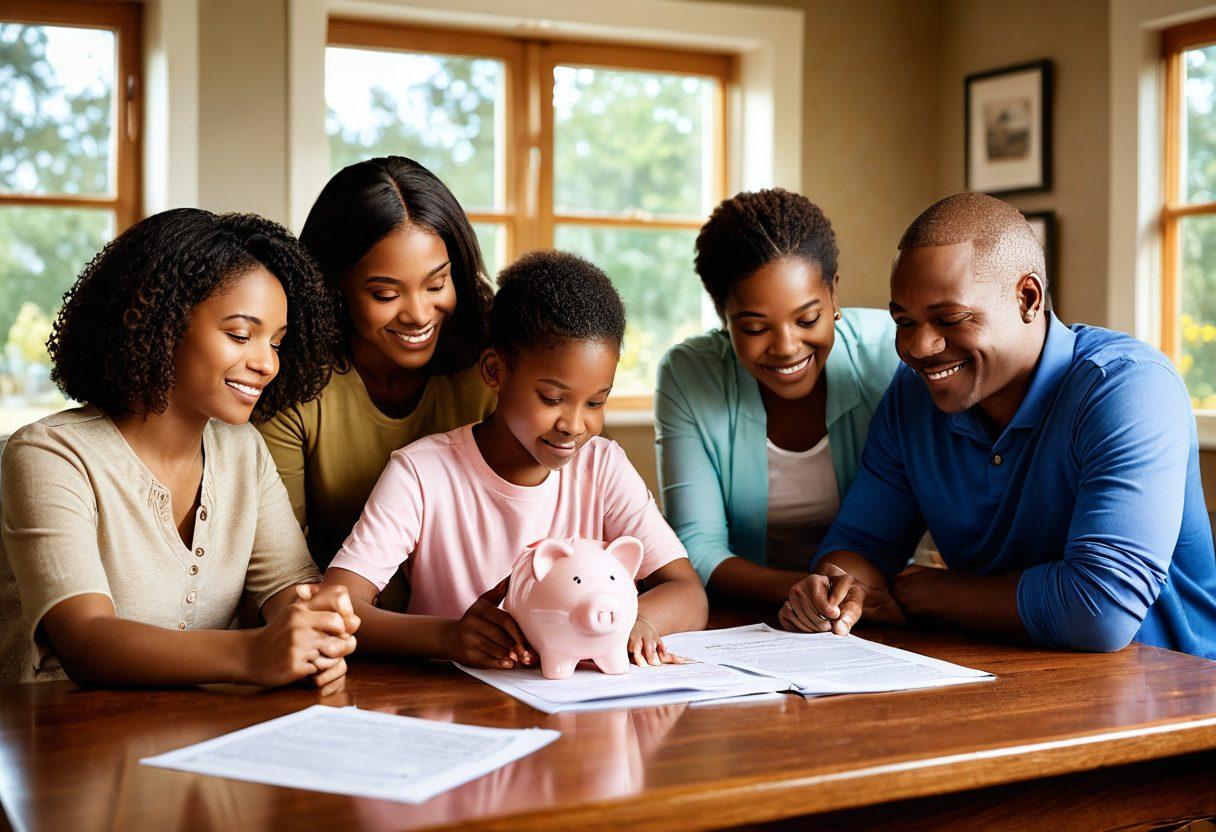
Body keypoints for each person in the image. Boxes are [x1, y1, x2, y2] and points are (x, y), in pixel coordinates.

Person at [784, 192, 1216, 659]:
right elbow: (858, 545)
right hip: (1003, 671)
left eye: (949, 319)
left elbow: (1100, 611)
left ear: (1027, 298)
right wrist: (838, 594)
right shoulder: (913, 397)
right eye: (904, 321)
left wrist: (931, 594)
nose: (920, 347)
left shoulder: (1128, 390)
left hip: (1173, 691)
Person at [0, 209, 360, 688]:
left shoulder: (242, 451)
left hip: (194, 737)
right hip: (57, 740)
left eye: (276, 342)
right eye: (239, 335)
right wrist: (255, 652)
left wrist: (320, 626)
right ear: (160, 321)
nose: (266, 363)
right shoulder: (50, 455)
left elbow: (288, 588)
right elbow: (85, 641)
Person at [322, 251, 708, 669]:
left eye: (596, 402)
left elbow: (688, 592)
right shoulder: (421, 473)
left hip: (580, 713)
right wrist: (447, 636)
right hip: (455, 703)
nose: (574, 425)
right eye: (552, 398)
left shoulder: (602, 467)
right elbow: (338, 605)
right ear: (495, 371)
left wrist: (637, 621)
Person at [655, 188, 900, 616]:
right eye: (753, 328)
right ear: (722, 317)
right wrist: (807, 592)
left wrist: (844, 597)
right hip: (744, 618)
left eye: (807, 319)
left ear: (834, 296)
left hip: (879, 611)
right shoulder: (689, 374)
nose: (787, 347)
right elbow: (696, 545)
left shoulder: (889, 353)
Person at [258, 157, 495, 578]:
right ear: (333, 287)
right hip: (347, 625)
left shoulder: (492, 366)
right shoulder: (294, 385)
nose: (420, 314)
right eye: (386, 294)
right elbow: (283, 571)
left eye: (437, 284)